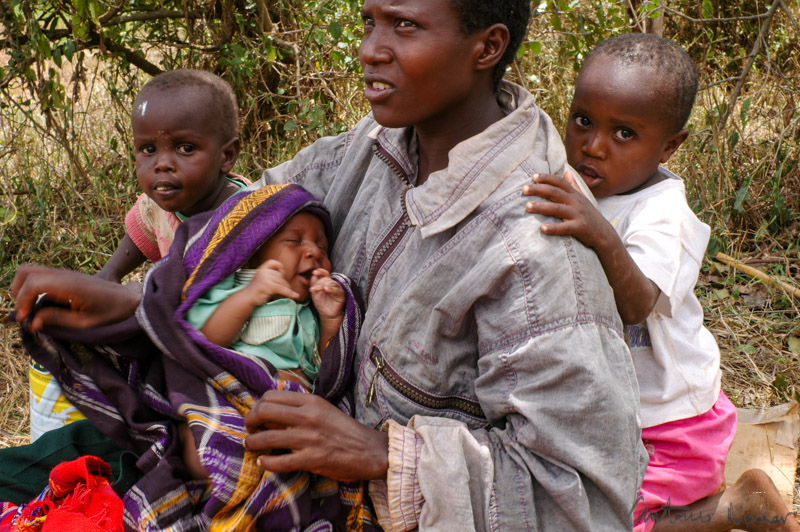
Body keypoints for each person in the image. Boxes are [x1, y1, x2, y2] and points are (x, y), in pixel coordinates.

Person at [10, 0, 648, 530]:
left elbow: (582, 500)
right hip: (236, 454)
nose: (371, 49)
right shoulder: (366, 153)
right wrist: (133, 301)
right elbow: (240, 228)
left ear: (487, 47)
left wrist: (378, 453)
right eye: (369, 21)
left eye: (404, 26)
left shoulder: (535, 252)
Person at [522, 33, 798, 531]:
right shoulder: (580, 186)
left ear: (670, 145)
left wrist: (601, 234)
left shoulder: (663, 215)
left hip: (671, 422)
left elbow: (637, 302)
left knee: (618, 524)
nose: (594, 146)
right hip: (621, 416)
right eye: (583, 120)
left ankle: (744, 503)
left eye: (624, 133)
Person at [96, 69, 249, 283]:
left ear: (226, 156)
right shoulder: (154, 208)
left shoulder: (249, 219)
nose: (162, 164)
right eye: (149, 149)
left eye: (185, 148)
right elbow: (109, 274)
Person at [185, 200, 346, 391]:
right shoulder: (234, 287)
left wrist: (330, 319)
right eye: (295, 241)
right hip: (234, 392)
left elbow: (325, 368)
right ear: (252, 252)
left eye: (323, 248)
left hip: (289, 406)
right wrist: (249, 295)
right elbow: (206, 339)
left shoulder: (309, 311)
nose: (314, 252)